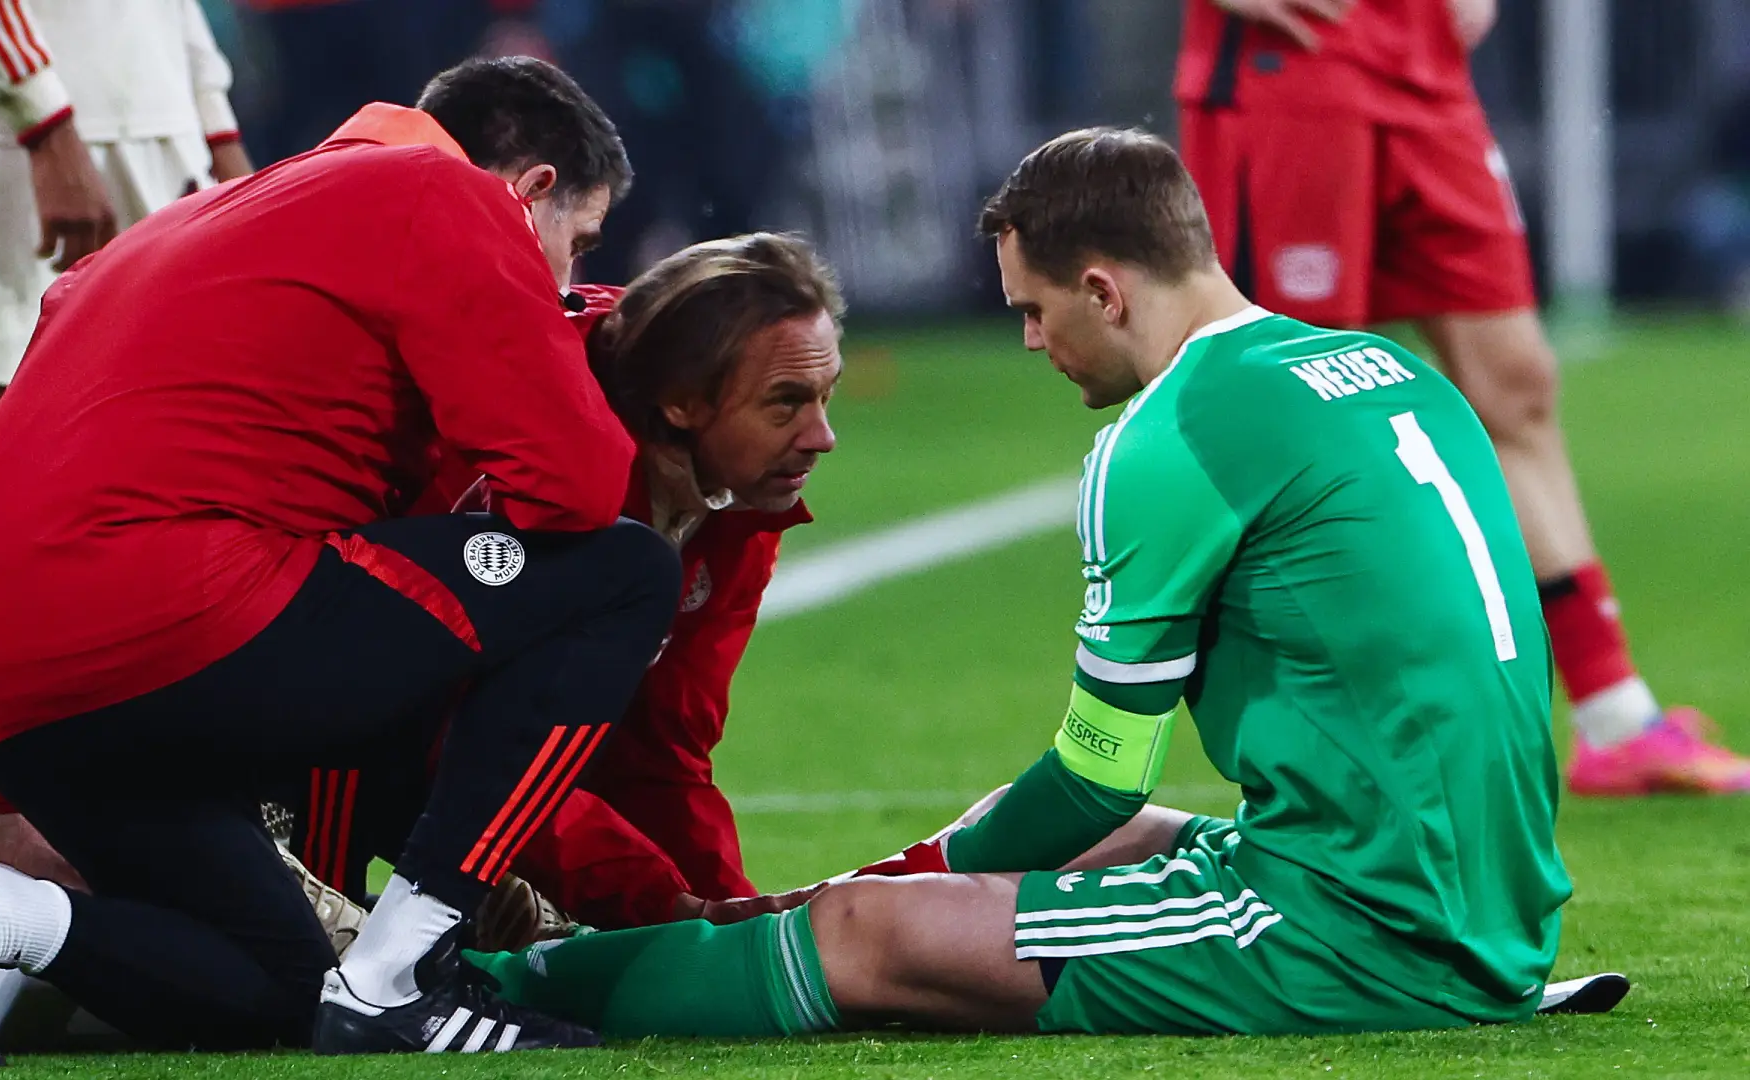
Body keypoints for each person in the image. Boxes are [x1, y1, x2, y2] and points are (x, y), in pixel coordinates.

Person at [458, 127, 1572, 1041]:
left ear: (1104, 288)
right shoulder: (1393, 373)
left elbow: (1100, 778)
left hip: (1352, 926)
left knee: (866, 935)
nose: (1034, 342)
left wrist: (904, 883)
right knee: (1021, 832)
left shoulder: (1171, 434)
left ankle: (499, 987)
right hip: (1488, 894)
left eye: (1034, 311)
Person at [0, 56, 676, 1065]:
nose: (564, 275)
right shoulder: (439, 191)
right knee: (621, 574)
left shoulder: (182, 223)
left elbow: (15, 493)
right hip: (177, 617)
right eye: (577, 245)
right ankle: (402, 970)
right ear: (533, 190)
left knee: (275, 989)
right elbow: (574, 487)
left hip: (23, 694)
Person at [1172, 0, 1749, 793]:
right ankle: (1321, 731)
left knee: (1515, 382)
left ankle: (1615, 719)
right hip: (1293, 58)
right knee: (1295, 392)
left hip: (1426, 63)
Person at [286, 232, 842, 938]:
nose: (822, 435)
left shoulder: (733, 505)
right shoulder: (543, 474)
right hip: (300, 724)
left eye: (827, 395)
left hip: (410, 743)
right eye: (786, 403)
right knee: (303, 981)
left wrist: (727, 913)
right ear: (679, 402)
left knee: (555, 940)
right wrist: (657, 900)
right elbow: (460, 734)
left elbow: (664, 748)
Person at [0, 0, 253, 842]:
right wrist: (47, 123)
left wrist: (212, 123)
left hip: (146, 112)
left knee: (158, 440)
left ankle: (121, 826)